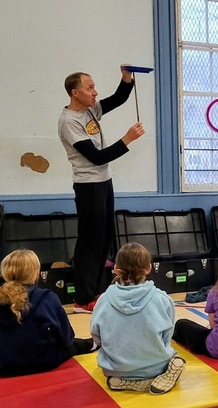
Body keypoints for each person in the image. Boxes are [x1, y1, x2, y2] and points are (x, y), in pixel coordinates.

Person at [59, 66, 146, 313]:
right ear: (75, 93)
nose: (95, 92)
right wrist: (127, 139)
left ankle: (97, 291)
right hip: (88, 186)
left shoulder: (90, 111)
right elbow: (96, 158)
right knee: (89, 242)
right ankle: (83, 299)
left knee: (104, 238)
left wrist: (126, 78)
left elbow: (118, 99)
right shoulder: (69, 122)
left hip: (104, 183)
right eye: (90, 88)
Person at [0, 249, 97, 377]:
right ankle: (98, 340)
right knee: (76, 344)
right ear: (37, 273)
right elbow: (66, 338)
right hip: (45, 362)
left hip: (2, 367)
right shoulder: (48, 298)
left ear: (6, 273)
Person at [91, 243, 184, 395]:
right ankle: (151, 379)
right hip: (155, 368)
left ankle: (129, 380)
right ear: (149, 268)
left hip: (114, 369)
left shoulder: (104, 300)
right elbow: (167, 336)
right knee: (175, 356)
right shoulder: (162, 298)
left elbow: (96, 336)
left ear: (116, 268)